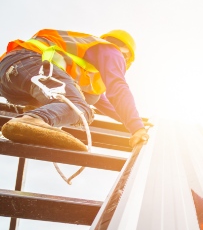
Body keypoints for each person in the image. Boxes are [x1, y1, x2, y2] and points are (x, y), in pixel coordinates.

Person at [0, 29, 148, 151]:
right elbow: (118, 88)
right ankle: (32, 120)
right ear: (126, 56)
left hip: (10, 78)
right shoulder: (112, 51)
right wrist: (137, 128)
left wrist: (136, 121)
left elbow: (105, 104)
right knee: (79, 109)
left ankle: (35, 111)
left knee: (88, 99)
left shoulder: (89, 63)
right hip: (30, 62)